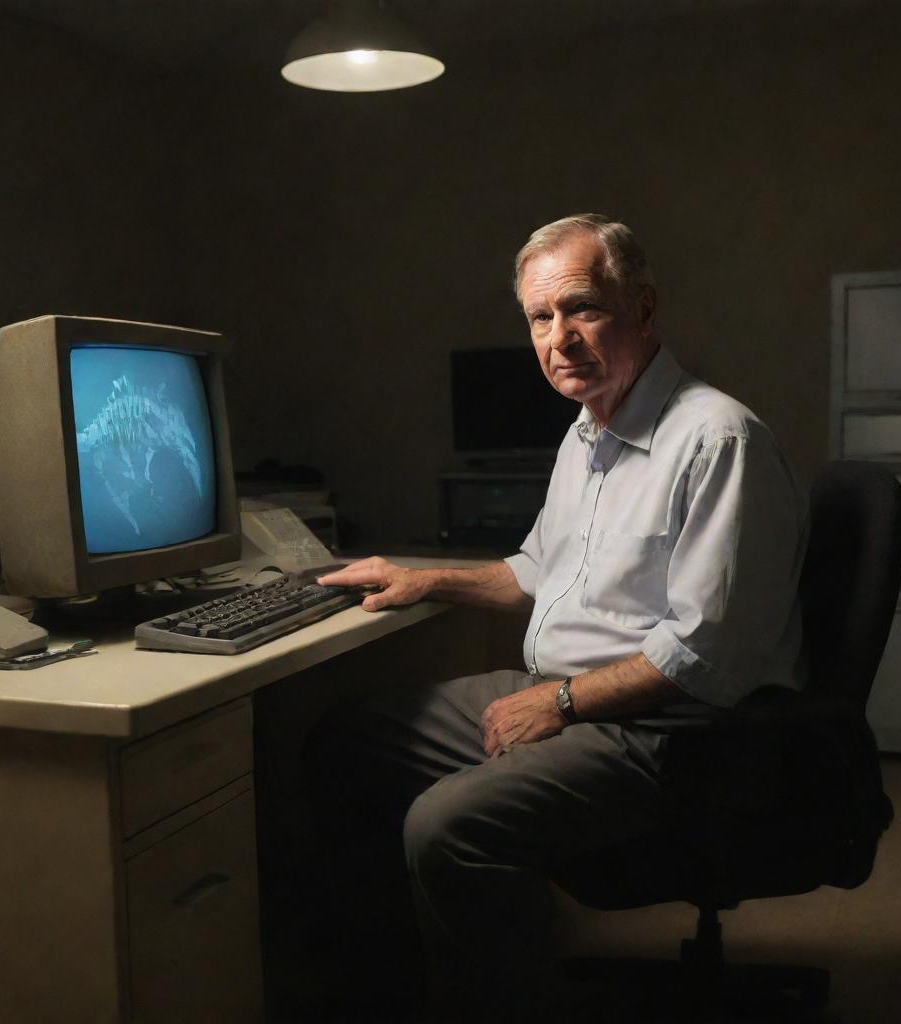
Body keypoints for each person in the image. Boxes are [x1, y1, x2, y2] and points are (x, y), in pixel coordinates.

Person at [304, 213, 807, 1023]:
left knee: (448, 825)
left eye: (583, 309)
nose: (560, 338)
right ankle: (392, 983)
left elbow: (707, 660)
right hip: (572, 691)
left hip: (665, 730)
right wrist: (422, 577)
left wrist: (559, 703)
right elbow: (539, 572)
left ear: (643, 309)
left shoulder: (717, 440)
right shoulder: (588, 433)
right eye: (541, 318)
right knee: (347, 743)